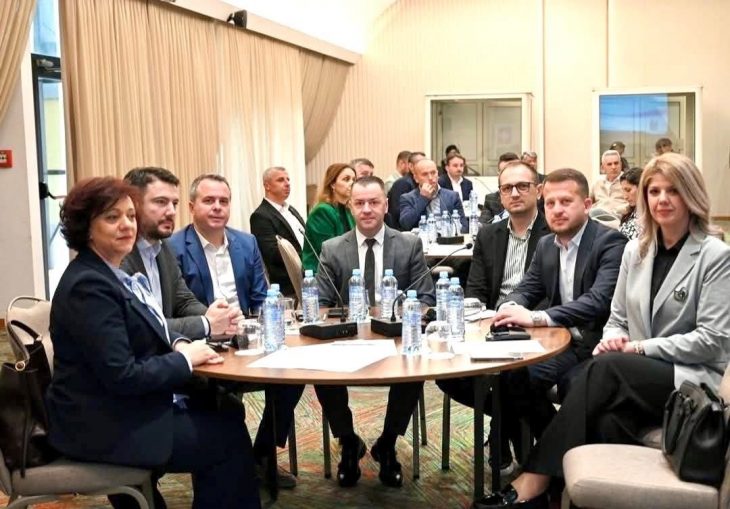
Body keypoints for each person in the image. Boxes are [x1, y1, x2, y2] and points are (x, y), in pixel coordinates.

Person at [476, 152, 730, 509]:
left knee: (603, 369)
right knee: (606, 419)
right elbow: (617, 318)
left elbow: (713, 341)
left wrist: (638, 348)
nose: (662, 199)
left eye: (673, 190)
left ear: (691, 195)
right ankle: (560, 489)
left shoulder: (715, 255)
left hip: (690, 376)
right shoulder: (637, 251)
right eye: (654, 191)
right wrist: (611, 339)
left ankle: (535, 479)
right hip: (634, 371)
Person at [46, 177, 260, 509]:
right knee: (227, 439)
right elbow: (123, 375)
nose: (126, 225)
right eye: (112, 217)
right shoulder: (89, 285)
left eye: (131, 216)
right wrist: (185, 359)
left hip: (114, 408)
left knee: (225, 410)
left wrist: (177, 346)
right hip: (103, 425)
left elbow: (142, 334)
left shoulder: (110, 274)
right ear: (86, 228)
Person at [169, 174, 302, 488]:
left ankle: (262, 454)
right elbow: (177, 307)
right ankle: (221, 466)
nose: (217, 207)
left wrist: (258, 325)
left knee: (293, 377)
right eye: (209, 201)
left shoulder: (246, 243)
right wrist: (212, 322)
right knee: (217, 397)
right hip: (201, 347)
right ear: (191, 206)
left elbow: (259, 298)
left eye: (223, 201)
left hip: (246, 340)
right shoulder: (173, 248)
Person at [314, 176, 435, 489]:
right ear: (350, 206)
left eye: (374, 202)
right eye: (359, 203)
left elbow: (426, 297)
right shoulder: (332, 249)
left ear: (386, 205)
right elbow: (321, 305)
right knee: (318, 370)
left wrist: (403, 316)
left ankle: (388, 443)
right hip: (346, 341)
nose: (367, 209)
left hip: (396, 339)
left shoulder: (408, 244)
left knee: (415, 366)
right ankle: (348, 440)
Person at [491, 168, 627, 441]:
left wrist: (537, 317)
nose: (557, 210)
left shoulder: (610, 242)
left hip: (597, 347)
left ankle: (550, 452)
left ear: (586, 205)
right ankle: (548, 447)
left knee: (573, 386)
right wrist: (508, 307)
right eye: (550, 203)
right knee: (510, 377)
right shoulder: (546, 245)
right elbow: (528, 289)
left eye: (566, 201)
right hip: (559, 344)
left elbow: (598, 301)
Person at [436, 161, 551, 472]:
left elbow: (551, 295)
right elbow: (475, 291)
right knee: (446, 376)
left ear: (538, 190)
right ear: (499, 195)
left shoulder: (552, 232)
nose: (514, 193)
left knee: (512, 377)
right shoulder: (488, 235)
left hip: (534, 328)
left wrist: (523, 316)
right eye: (507, 188)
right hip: (490, 325)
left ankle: (502, 438)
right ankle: (510, 427)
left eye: (522, 186)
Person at [121, 167, 241, 340]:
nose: (171, 211)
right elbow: (142, 324)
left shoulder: (164, 247)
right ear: (133, 205)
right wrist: (206, 323)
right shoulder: (120, 256)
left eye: (174, 203)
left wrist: (220, 316)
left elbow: (183, 301)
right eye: (161, 202)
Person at [250, 166, 305, 297]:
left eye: (288, 179)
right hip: (288, 287)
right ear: (267, 186)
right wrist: (305, 259)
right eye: (280, 180)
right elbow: (273, 253)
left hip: (307, 279)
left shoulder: (291, 210)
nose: (287, 184)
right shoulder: (260, 216)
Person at [301, 163, 356, 271]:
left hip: (343, 267)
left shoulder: (347, 209)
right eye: (346, 179)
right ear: (333, 184)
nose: (352, 183)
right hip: (323, 271)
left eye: (354, 179)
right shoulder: (322, 211)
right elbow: (330, 252)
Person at [399, 158, 467, 232]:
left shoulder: (452, 196)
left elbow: (464, 226)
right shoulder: (407, 198)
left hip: (447, 237)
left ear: (438, 174)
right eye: (425, 174)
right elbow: (406, 224)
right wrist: (423, 199)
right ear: (416, 178)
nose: (430, 178)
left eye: (433, 173)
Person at [386, 151, 425, 229]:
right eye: (421, 164)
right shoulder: (403, 183)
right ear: (411, 166)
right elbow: (398, 213)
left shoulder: (417, 182)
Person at [481, 152, 520, 224]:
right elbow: (483, 225)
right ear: (499, 176)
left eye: (515, 171)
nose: (511, 176)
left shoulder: (532, 196)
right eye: (505, 172)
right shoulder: (491, 199)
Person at [590, 149, 628, 220]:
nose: (613, 167)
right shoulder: (597, 183)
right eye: (609, 164)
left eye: (616, 163)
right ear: (602, 167)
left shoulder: (628, 181)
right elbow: (587, 202)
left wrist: (616, 210)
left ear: (621, 164)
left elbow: (634, 204)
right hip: (597, 219)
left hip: (619, 218)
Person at [618, 167, 643, 240]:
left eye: (628, 190)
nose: (625, 197)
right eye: (623, 191)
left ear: (641, 187)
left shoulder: (650, 216)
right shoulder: (629, 213)